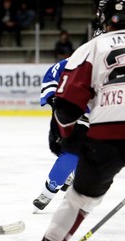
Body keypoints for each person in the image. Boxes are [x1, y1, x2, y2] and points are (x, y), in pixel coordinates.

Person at [32, 1, 125, 241]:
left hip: (106, 131)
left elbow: (67, 107)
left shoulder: (92, 47)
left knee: (79, 199)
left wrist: (67, 138)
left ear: (103, 18)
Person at [33, 58, 89, 213]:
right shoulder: (80, 59)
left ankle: (77, 185)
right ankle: (49, 191)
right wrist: (52, 98)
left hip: (105, 120)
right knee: (70, 155)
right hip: (79, 118)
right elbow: (52, 74)